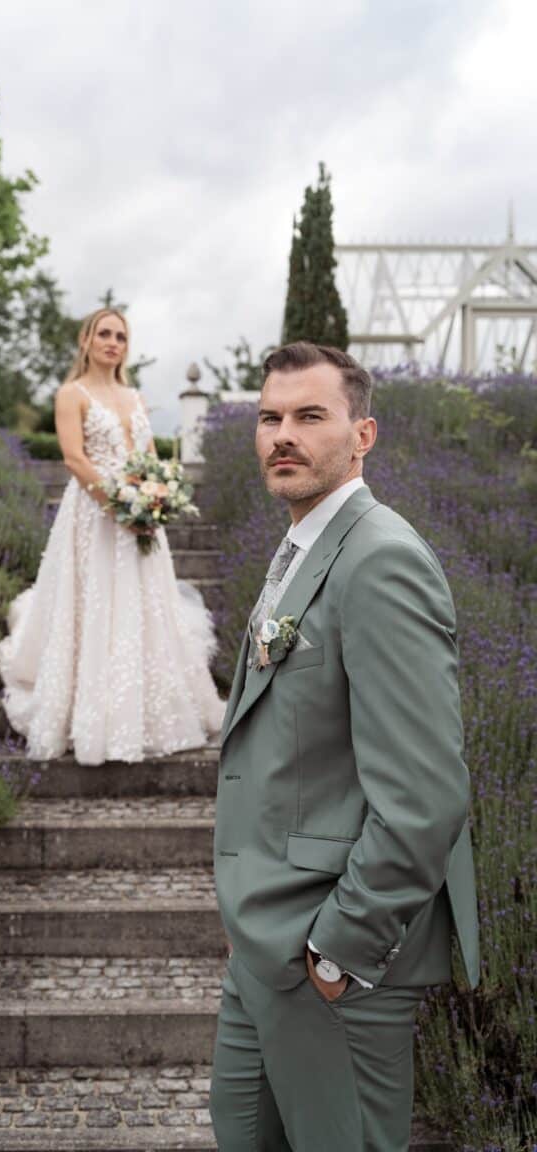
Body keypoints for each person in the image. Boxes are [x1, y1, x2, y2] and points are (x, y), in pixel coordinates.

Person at [209, 341, 479, 1152]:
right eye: (269, 418)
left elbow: (426, 795)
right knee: (242, 1131)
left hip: (333, 961)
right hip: (262, 939)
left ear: (363, 435)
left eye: (308, 416)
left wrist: (340, 951)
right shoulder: (300, 544)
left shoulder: (381, 559)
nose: (281, 434)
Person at [0, 307, 224, 765]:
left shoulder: (134, 396)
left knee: (143, 605)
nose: (113, 342)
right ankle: (91, 713)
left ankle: (146, 710)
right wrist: (117, 506)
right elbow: (75, 459)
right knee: (96, 604)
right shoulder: (71, 394)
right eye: (104, 333)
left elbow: (146, 456)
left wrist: (154, 499)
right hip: (95, 515)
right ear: (86, 340)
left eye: (121, 335)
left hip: (141, 519)